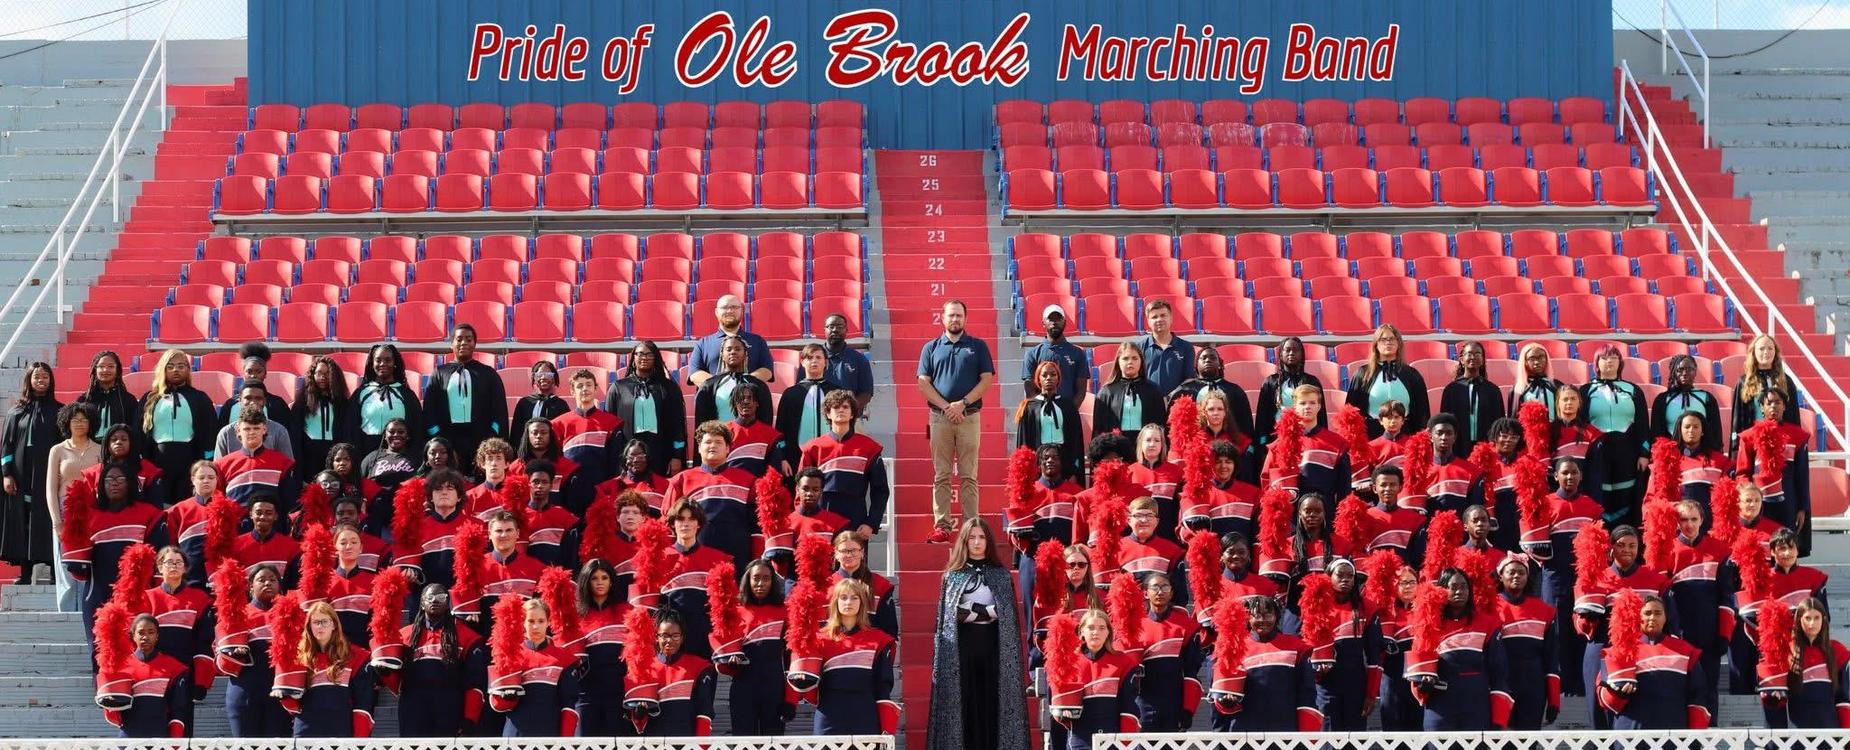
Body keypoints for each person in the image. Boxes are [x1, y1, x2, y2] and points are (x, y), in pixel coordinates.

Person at [928, 517, 1030, 750]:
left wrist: (973, 610)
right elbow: (952, 615)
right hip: (962, 651)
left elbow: (1004, 613)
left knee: (991, 705)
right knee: (964, 706)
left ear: (988, 541)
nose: (976, 542)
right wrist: (987, 611)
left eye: (981, 537)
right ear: (964, 541)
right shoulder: (952, 576)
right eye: (971, 537)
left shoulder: (1001, 575)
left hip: (994, 649)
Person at [1574, 524, 1673, 727]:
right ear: (1611, 547)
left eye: (1632, 545)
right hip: (1601, 648)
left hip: (1640, 651)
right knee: (1597, 705)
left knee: (1633, 706)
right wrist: (1586, 619)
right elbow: (1579, 624)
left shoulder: (1655, 579)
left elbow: (1669, 620)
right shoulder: (1596, 577)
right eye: (1620, 545)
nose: (1626, 550)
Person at [64, 462, 167, 647]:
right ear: (101, 485)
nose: (114, 483)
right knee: (100, 654)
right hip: (97, 594)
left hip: (137, 596)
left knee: (135, 651)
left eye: (120, 478)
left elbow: (160, 557)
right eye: (109, 479)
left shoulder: (149, 514)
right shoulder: (90, 516)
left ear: (131, 483)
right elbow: (78, 569)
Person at [917, 299, 994, 544]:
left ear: (965, 318)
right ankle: (942, 526)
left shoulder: (978, 346)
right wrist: (947, 407)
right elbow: (923, 383)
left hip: (969, 417)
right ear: (943, 318)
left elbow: (986, 380)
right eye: (951, 315)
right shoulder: (930, 348)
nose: (955, 319)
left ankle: (971, 526)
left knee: (969, 475)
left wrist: (962, 403)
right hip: (939, 418)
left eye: (959, 315)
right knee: (942, 474)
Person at [1409, 567, 1511, 730]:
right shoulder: (1428, 624)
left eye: (1464, 587)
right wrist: (1422, 687)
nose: (1459, 591)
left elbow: (1499, 672)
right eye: (1454, 587)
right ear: (1442, 590)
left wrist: (1499, 717)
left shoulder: (1488, 623)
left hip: (1477, 709)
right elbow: (1418, 673)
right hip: (1440, 709)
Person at [1731, 528, 1830, 696]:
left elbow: (1823, 616)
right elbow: (1750, 617)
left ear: (1798, 550)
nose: (1787, 553)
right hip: (1771, 652)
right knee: (1774, 703)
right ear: (1771, 552)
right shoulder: (1761, 581)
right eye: (1781, 548)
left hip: (1804, 650)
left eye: (1791, 548)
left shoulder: (1814, 577)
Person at [796, 577, 898, 736]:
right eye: (843, 597)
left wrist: (886, 725)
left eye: (854, 597)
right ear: (835, 602)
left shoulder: (880, 640)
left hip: (866, 716)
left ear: (862, 602)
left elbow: (883, 687)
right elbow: (808, 689)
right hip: (829, 716)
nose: (848, 602)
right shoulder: (819, 639)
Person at [386, 583, 486, 737]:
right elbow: (395, 681)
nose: (434, 600)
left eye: (440, 597)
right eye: (430, 597)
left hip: (450, 709)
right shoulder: (403, 637)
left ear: (448, 603)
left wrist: (469, 720)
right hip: (413, 710)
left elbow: (474, 684)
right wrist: (383, 672)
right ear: (422, 603)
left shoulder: (467, 637)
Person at [1595, 594, 1708, 729]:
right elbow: (1602, 699)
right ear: (1638, 617)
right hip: (1630, 734)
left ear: (1666, 617)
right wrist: (1618, 695)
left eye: (1658, 613)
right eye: (1647, 613)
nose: (1652, 617)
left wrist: (1694, 736)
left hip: (1673, 735)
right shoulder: (1619, 651)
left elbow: (1698, 696)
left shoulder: (1686, 651)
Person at [1541, 458, 1601, 692]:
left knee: (1582, 628)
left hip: (1583, 580)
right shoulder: (1546, 504)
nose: (1569, 477)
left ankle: (1580, 686)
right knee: (1557, 630)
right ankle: (1561, 686)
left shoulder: (1592, 506)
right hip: (1554, 577)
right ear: (1555, 476)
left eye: (1574, 472)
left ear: (1581, 476)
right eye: (1565, 473)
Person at [1664, 499, 1730, 713]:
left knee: (1709, 687)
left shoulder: (1719, 549)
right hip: (1679, 632)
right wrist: (1671, 632)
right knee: (1681, 687)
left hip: (1710, 633)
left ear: (1702, 519)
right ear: (1677, 522)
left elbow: (1727, 597)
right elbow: (1663, 599)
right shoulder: (1667, 550)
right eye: (1684, 519)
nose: (1689, 524)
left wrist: (1724, 634)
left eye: (1694, 519)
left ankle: (1711, 731)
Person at [1210, 596, 1314, 731]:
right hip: (1247, 729)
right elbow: (1222, 695)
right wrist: (1227, 702)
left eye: (1268, 615)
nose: (1262, 620)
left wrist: (1307, 732)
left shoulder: (1297, 646)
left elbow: (1307, 691)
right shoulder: (1234, 647)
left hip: (1286, 728)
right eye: (1257, 615)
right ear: (1248, 618)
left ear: (1277, 617)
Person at [664, 422, 757, 571]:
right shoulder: (681, 480)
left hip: (738, 559)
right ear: (699, 448)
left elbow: (757, 525)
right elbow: (667, 523)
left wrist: (756, 559)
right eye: (708, 442)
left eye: (718, 442)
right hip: (695, 562)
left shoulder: (748, 481)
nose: (712, 446)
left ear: (728, 448)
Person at [713, 559, 790, 736]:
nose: (760, 583)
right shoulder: (735, 610)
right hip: (743, 689)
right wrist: (730, 665)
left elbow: (791, 658)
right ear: (747, 580)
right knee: (744, 742)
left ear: (773, 581)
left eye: (766, 578)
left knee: (773, 744)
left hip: (774, 688)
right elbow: (722, 660)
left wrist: (791, 700)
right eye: (756, 578)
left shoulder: (784, 611)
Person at [799, 390, 889, 541]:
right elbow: (801, 489)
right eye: (836, 407)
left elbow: (880, 490)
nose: (841, 410)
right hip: (821, 516)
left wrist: (871, 523)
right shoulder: (813, 448)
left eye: (845, 407)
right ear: (828, 414)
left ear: (852, 414)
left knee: (853, 557)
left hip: (855, 516)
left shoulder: (869, 448)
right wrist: (805, 519)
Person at [487, 597, 582, 737]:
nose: (536, 626)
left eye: (541, 621)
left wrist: (565, 741)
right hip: (516, 735)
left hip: (550, 735)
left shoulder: (565, 658)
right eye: (530, 621)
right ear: (523, 623)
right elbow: (497, 704)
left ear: (548, 622)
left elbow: (568, 704)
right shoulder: (509, 654)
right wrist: (506, 697)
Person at [1, 362, 61, 583]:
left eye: (45, 377)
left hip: (48, 474)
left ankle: (54, 570)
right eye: (36, 377)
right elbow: (7, 445)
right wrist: (7, 474)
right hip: (21, 475)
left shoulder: (59, 411)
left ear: (50, 380)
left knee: (49, 517)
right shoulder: (16, 412)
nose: (40, 380)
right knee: (23, 518)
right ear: (29, 380)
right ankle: (25, 572)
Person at [144, 545, 214, 732]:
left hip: (185, 673)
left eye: (178, 562)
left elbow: (204, 642)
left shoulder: (199, 599)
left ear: (185, 568)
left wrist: (201, 681)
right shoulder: (147, 598)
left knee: (182, 726)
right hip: (155, 672)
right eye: (168, 562)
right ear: (160, 567)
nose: (174, 566)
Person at [283, 599, 377, 737]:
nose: (320, 626)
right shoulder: (298, 658)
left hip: (341, 729)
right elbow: (292, 704)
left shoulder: (356, 656)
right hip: (306, 730)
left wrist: (359, 740)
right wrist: (285, 695)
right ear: (309, 627)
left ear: (334, 624)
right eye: (316, 622)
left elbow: (363, 703)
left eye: (325, 621)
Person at [216, 564, 290, 737]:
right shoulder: (236, 614)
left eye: (272, 580)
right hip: (244, 693)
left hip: (279, 693)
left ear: (280, 585)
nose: (267, 583)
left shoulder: (290, 615)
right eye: (261, 580)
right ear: (250, 586)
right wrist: (233, 654)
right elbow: (219, 659)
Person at [422, 324, 508, 472]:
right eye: (459, 339)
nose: (464, 343)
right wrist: (440, 440)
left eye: (469, 339)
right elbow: (430, 409)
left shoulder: (488, 373)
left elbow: (499, 410)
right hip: (448, 440)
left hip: (481, 439)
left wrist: (490, 441)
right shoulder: (439, 373)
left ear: (474, 344)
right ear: (451, 344)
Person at [1736, 388, 1813, 553]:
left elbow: (1802, 475)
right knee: (1758, 548)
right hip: (1758, 504)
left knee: (1786, 547)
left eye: (1778, 402)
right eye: (1769, 403)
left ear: (1784, 406)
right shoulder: (1748, 436)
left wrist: (1802, 507)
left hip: (1788, 503)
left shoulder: (1797, 436)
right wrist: (1747, 500)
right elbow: (1742, 473)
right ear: (1762, 407)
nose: (1773, 406)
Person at [1583, 345, 1651, 526]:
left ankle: (1625, 533)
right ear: (1596, 363)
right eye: (1604, 358)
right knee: (1599, 491)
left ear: (1620, 362)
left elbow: (1643, 424)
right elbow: (1581, 423)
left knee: (1626, 492)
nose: (1609, 361)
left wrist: (1644, 454)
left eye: (1614, 357)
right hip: (1598, 451)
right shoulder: (1586, 390)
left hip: (1627, 450)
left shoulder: (1633, 390)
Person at [139, 349, 218, 505]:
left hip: (189, 460)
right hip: (158, 461)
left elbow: (210, 431)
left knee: (187, 504)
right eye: (170, 366)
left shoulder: (200, 398)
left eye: (181, 366)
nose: (176, 370)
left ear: (188, 370)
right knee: (161, 505)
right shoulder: (149, 399)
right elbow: (139, 432)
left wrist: (206, 460)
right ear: (163, 369)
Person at [96, 612, 190, 737]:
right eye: (141, 632)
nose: (145, 637)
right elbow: (113, 713)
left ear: (157, 636)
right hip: (129, 738)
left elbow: (178, 710)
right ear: (133, 636)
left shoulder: (174, 668)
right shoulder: (120, 667)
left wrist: (175, 742)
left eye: (151, 632)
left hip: (161, 739)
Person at [1495, 554, 1560, 729]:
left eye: (1521, 572)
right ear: (1500, 576)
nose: (1516, 576)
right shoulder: (1489, 608)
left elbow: (1551, 658)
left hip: (1533, 687)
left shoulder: (1545, 611)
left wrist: (1554, 699)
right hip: (1501, 685)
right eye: (1511, 572)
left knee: (1528, 739)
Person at [659, 499, 729, 659]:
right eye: (680, 519)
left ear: (698, 524)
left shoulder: (718, 559)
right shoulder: (659, 558)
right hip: (671, 641)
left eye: (691, 519)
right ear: (672, 524)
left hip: (705, 640)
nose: (686, 524)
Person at [605, 341, 686, 477]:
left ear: (656, 358)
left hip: (660, 453)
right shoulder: (618, 388)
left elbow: (678, 426)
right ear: (633, 358)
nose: (644, 358)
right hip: (628, 454)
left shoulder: (669, 388)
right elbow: (610, 427)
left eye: (649, 354)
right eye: (640, 354)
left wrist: (677, 456)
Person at [1766, 598, 1850, 728]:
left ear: (1823, 619)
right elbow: (1777, 701)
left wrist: (1846, 734)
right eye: (1807, 618)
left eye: (1817, 618)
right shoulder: (1787, 650)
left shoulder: (1837, 651)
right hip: (1798, 732)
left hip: (1830, 731)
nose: (1812, 623)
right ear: (1799, 620)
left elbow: (1844, 698)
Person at [572, 560, 633, 737]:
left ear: (611, 581)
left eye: (604, 578)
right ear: (586, 581)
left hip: (618, 690)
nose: (600, 582)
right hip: (586, 692)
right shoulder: (576, 615)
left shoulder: (628, 611)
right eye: (594, 578)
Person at [46, 402, 102, 582]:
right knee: (66, 566)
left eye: (84, 420)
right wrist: (56, 521)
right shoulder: (57, 450)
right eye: (75, 420)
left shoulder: (100, 449)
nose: (79, 423)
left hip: (92, 511)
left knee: (89, 563)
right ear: (67, 423)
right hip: (65, 510)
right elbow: (50, 488)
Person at [640, 609, 718, 737]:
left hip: (687, 742)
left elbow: (704, 712)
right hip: (654, 742)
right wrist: (639, 714)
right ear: (656, 637)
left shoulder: (699, 666)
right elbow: (638, 721)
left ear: (682, 638)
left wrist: (700, 745)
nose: (669, 640)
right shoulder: (645, 667)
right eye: (664, 635)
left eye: (675, 635)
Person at [392, 468, 471, 590]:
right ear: (431, 497)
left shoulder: (475, 525)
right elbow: (410, 567)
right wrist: (412, 573)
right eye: (438, 489)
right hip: (428, 595)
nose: (444, 493)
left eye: (450, 488)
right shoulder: (416, 527)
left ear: (459, 496)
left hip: (465, 595)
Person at [1345, 325, 1429, 437]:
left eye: (1392, 339)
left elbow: (1422, 412)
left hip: (1405, 435)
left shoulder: (1412, 374)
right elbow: (1351, 411)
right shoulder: (1362, 374)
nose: (1388, 342)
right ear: (1376, 344)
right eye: (1383, 339)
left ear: (1399, 343)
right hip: (1371, 435)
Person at [215, 407, 301, 513]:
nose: (252, 432)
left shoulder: (282, 463)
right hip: (236, 522)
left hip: (271, 521)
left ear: (264, 429)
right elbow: (216, 504)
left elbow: (290, 505)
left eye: (256, 428)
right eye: (247, 429)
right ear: (238, 431)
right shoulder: (222, 465)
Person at [551, 368, 626, 490]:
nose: (584, 389)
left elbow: (615, 463)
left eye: (588, 385)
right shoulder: (558, 424)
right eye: (579, 386)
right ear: (572, 391)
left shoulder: (612, 423)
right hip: (569, 488)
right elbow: (555, 462)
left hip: (601, 489)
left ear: (595, 389)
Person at [348, 344, 424, 461]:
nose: (383, 364)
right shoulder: (361, 393)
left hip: (399, 455)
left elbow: (417, 428)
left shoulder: (407, 395)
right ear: (372, 364)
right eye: (378, 360)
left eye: (388, 360)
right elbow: (350, 426)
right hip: (366, 452)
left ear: (394, 363)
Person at [776, 343, 845, 467]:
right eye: (809, 357)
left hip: (832, 457)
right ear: (802, 362)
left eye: (818, 357)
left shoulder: (837, 392)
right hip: (796, 459)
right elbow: (780, 428)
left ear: (826, 362)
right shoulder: (790, 393)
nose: (814, 361)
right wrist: (782, 458)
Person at [1168, 346, 1255, 442]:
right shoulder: (1184, 391)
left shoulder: (1235, 391)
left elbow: (1246, 425)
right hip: (1194, 446)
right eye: (1203, 358)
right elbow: (1172, 428)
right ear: (1196, 365)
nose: (1208, 360)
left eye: (1213, 358)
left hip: (1228, 446)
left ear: (1220, 364)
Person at [1015, 361, 1085, 479]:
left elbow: (1076, 440)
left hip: (1064, 460)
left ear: (1058, 379)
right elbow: (1024, 442)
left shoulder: (1068, 406)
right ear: (1038, 379)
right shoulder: (1029, 407)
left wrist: (1074, 470)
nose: (1049, 378)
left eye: (1053, 374)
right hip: (1039, 460)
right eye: (1044, 375)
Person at [686, 294, 774, 387]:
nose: (730, 311)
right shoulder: (703, 344)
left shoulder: (758, 341)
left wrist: (742, 386)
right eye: (725, 307)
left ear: (742, 311)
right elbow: (695, 374)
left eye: (734, 307)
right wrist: (722, 386)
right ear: (716, 312)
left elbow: (767, 371)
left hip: (749, 395)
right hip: (712, 395)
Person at [1253, 337, 1322, 448]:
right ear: (1281, 354)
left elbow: (1321, 416)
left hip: (1306, 437)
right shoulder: (1270, 382)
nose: (1291, 353)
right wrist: (1261, 445)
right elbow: (1262, 419)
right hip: (1277, 439)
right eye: (1287, 350)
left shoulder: (1312, 381)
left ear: (1302, 354)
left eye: (1295, 350)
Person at [291, 356, 350, 484]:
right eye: (318, 373)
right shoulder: (302, 402)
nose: (322, 377)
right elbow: (295, 434)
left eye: (327, 373)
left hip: (334, 453)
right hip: (309, 454)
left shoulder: (342, 403)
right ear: (312, 375)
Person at [216, 343, 295, 436]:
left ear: (265, 374)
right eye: (249, 371)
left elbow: (285, 436)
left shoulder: (278, 405)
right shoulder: (230, 405)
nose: (253, 375)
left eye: (258, 371)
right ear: (243, 373)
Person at [1439, 341, 1505, 453]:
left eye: (1477, 354)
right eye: (1469, 354)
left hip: (1486, 448)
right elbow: (1445, 421)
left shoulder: (1493, 390)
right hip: (1457, 447)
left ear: (1483, 360)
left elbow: (1498, 422)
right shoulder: (1451, 390)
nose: (1473, 357)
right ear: (1461, 359)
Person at [1091, 342, 1166, 440]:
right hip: (1116, 444)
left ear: (1141, 361)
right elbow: (1098, 428)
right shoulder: (1106, 392)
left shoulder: (1153, 390)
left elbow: (1161, 424)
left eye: (1135, 358)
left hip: (1145, 444)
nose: (1130, 362)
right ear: (1118, 361)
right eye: (1125, 358)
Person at [1378, 565, 1421, 730]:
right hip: (1392, 679)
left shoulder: (1426, 609)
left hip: (1418, 679)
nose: (1408, 586)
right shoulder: (1385, 612)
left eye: (1412, 582)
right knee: (1393, 730)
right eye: (1403, 583)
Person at [1731, 333, 1800, 438]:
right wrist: (1737, 444)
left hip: (1781, 440)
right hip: (1754, 441)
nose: (1766, 352)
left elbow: (1793, 417)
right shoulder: (1744, 382)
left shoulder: (1786, 381)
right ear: (1754, 352)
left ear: (1775, 352)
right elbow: (1738, 421)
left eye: (1770, 348)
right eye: (1761, 349)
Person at [832, 530, 899, 637]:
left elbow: (889, 629)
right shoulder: (824, 585)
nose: (849, 555)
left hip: (870, 645)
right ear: (836, 553)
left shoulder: (880, 585)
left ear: (862, 552)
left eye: (854, 550)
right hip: (834, 644)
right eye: (844, 551)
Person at [1021, 304, 1089, 405]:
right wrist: (1042, 411)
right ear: (1043, 323)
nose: (1054, 322)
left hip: (1068, 412)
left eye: (1058, 319)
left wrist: (1068, 411)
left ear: (1064, 322)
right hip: (1041, 412)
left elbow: (1081, 392)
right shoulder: (1032, 354)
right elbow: (1030, 391)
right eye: (1050, 319)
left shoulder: (1078, 354)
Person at [1651, 354, 1723, 447]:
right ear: (1673, 372)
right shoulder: (1662, 400)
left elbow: (1715, 432)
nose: (1685, 373)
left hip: (1700, 452)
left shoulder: (1707, 398)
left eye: (1689, 369)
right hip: (1671, 451)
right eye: (1680, 370)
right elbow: (1656, 433)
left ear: (1695, 372)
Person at [213, 383, 296, 461]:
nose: (253, 402)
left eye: (258, 398)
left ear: (265, 401)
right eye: (248, 398)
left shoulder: (279, 431)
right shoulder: (226, 433)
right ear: (240, 401)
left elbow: (287, 466)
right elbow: (218, 468)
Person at [720, 383, 783, 478]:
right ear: (735, 403)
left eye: (750, 398)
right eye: (741, 398)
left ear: (757, 403)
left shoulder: (771, 435)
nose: (746, 401)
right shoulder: (723, 431)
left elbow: (774, 473)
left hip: (758, 485)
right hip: (730, 484)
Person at [75, 350, 141, 440]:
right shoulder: (84, 400)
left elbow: (135, 431)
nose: (105, 370)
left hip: (118, 447)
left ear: (117, 370)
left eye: (111, 366)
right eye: (101, 366)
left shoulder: (128, 400)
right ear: (95, 370)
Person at [1135, 299, 1194, 396]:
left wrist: (1170, 397)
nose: (1159, 319)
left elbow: (1189, 379)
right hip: (1148, 401)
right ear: (1148, 322)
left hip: (1176, 402)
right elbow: (1136, 378)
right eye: (1154, 317)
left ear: (1171, 318)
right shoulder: (1139, 348)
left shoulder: (1186, 347)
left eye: (1163, 315)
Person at [822, 312, 875, 415]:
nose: (835, 330)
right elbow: (803, 388)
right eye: (831, 326)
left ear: (846, 330)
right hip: (818, 416)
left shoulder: (859, 359)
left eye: (840, 326)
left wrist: (847, 410)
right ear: (824, 330)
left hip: (849, 417)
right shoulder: (813, 358)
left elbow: (866, 393)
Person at [596, 439, 670, 513]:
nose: (635, 460)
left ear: (648, 459)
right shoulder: (607, 488)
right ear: (625, 460)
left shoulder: (665, 485)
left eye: (640, 456)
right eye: (631, 457)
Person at [1673, 412, 1731, 506]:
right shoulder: (1669, 461)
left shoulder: (1720, 461)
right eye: (1687, 427)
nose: (1691, 430)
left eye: (1696, 427)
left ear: (1702, 431)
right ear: (1680, 430)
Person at [511, 360, 569, 433]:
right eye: (539, 375)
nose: (543, 377)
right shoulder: (524, 403)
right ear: (534, 378)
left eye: (548, 375)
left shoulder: (561, 405)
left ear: (554, 378)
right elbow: (516, 432)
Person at [1510, 342, 1565, 416]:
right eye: (1532, 358)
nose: (1537, 362)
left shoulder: (1558, 386)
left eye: (1541, 357)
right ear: (1525, 362)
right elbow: (1513, 418)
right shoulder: (1517, 390)